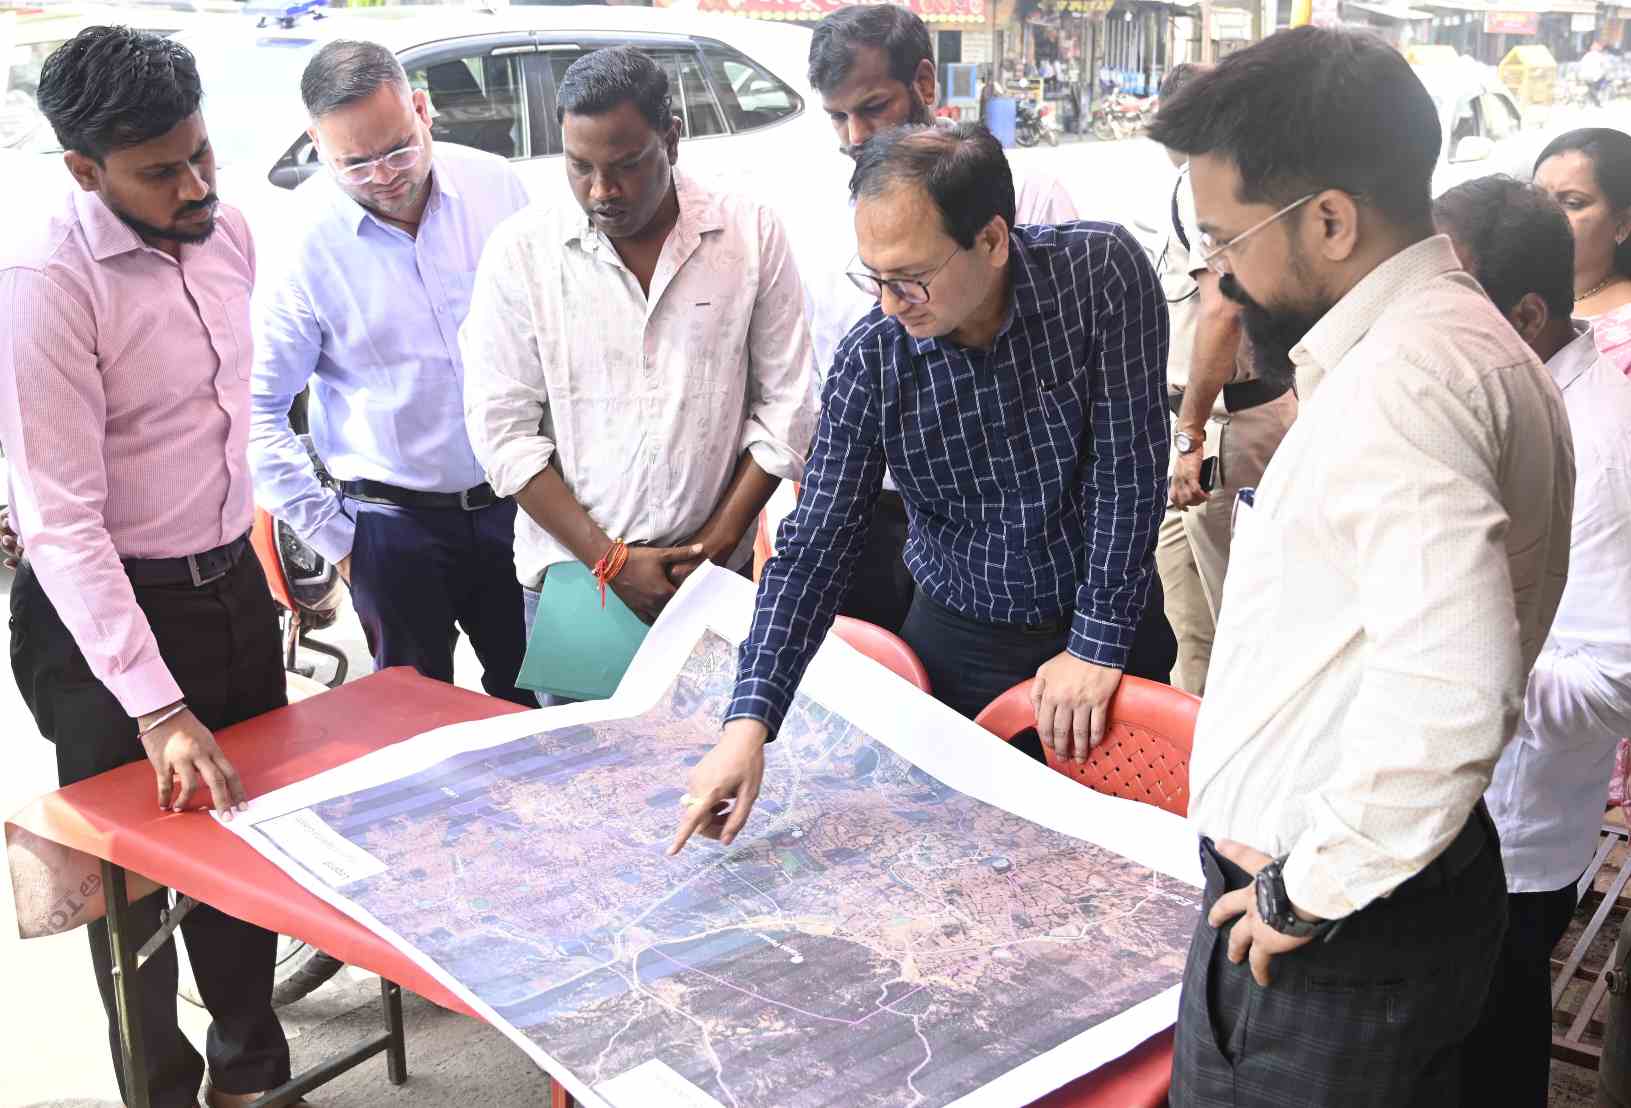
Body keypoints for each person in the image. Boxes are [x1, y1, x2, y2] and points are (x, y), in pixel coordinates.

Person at [1149, 29, 1573, 1107]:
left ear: (1330, 219)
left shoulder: (1405, 386)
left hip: (1333, 930)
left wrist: (1304, 891)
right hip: (1370, 892)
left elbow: (1454, 685)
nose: (1219, 274)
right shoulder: (1452, 344)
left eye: (1228, 239)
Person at [670, 123, 1171, 855]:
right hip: (959, 638)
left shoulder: (1099, 276)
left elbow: (1129, 469)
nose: (890, 304)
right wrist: (748, 725)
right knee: (966, 856)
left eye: (909, 278)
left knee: (1124, 859)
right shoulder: (876, 359)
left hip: (1108, 617)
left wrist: (1096, 645)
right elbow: (814, 550)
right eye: (874, 278)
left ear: (991, 240)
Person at [0, 27, 295, 1108]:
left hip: (229, 587)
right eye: (161, 172)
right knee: (132, 888)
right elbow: (61, 521)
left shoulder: (227, 231)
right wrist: (157, 707)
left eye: (201, 153)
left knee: (248, 848)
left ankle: (249, 1078)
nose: (196, 186)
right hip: (106, 624)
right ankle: (159, 1091)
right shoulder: (45, 282)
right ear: (86, 171)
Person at [798, 5, 1174, 681]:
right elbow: (829, 426)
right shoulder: (845, 253)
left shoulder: (1050, 224)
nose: (856, 135)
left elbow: (1121, 460)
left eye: (873, 107)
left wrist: (1097, 637)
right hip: (919, 533)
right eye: (837, 117)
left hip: (1072, 564)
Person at [460, 46, 817, 672]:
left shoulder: (750, 234)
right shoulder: (521, 253)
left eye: (626, 165)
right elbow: (503, 434)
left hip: (709, 577)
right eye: (580, 166)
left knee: (716, 732)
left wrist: (715, 546)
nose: (603, 191)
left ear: (671, 140)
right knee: (582, 737)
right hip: (576, 584)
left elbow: (788, 405)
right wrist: (611, 562)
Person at [1434, 174, 1631, 1108]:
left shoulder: (1603, 450)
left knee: (1488, 1055)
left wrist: (1461, 674)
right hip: (1458, 810)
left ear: (1526, 315)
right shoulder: (1508, 391)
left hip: (1510, 840)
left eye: (1450, 307)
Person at [249, 40, 536, 707]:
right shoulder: (301, 241)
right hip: (390, 526)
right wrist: (342, 544)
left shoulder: (496, 188)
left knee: (538, 706)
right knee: (416, 719)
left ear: (422, 110)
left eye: (399, 149)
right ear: (317, 144)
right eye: (355, 162)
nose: (383, 176)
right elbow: (256, 413)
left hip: (517, 504)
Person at [1151, 61, 1296, 695]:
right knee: (1189, 627)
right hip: (1211, 421)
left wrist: (1189, 438)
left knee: (1241, 632)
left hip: (1221, 426)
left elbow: (1223, 311)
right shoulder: (1231, 180)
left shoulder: (1206, 183)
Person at [1535, 126, 1631, 838]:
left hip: (1588, 607)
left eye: (1573, 202)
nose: (1550, 217)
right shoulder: (1525, 303)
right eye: (1540, 199)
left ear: (1623, 220)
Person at [1579, 40, 1611, 107]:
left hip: (1584, 76)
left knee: (1591, 88)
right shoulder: (1600, 56)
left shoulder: (1586, 55)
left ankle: (1592, 99)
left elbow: (1580, 66)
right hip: (1595, 77)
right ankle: (1597, 99)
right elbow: (1607, 67)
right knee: (1604, 80)